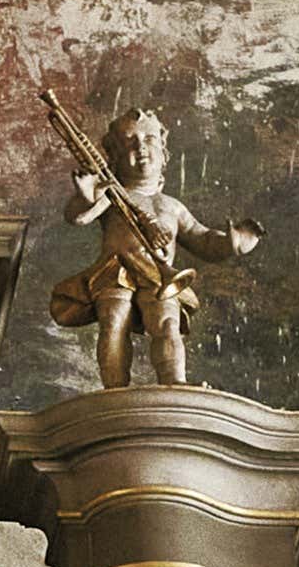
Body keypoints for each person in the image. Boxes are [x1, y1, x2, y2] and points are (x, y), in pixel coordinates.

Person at [47, 102, 265, 390]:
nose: (141, 147)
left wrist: (232, 242)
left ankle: (174, 381)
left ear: (164, 154)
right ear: (115, 157)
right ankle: (115, 388)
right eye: (130, 142)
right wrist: (87, 196)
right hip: (115, 271)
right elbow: (78, 217)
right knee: (113, 321)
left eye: (149, 139)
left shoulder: (171, 206)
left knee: (167, 323)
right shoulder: (110, 195)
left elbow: (201, 238)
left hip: (159, 276)